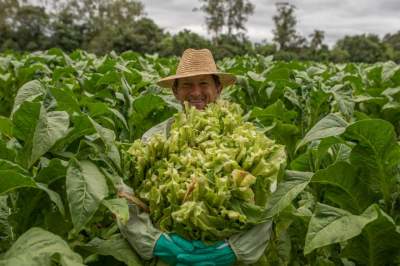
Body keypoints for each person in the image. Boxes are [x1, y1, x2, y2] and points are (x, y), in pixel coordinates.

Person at [118, 48, 272, 266]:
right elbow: (126, 198)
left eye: (204, 84)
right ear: (175, 91)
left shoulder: (247, 137)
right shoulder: (155, 138)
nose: (196, 92)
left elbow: (269, 201)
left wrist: (236, 249)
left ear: (218, 88)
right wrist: (155, 241)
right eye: (187, 85)